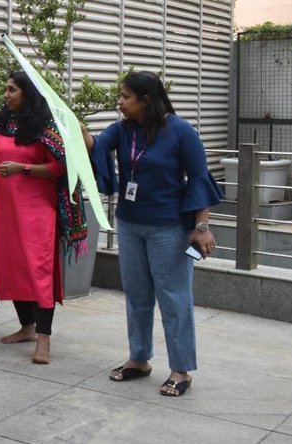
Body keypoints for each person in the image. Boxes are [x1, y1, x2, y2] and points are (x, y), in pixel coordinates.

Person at [84, 71, 221, 397]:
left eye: (125, 97)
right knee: (137, 295)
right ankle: (139, 358)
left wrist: (201, 228)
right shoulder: (123, 130)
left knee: (174, 299)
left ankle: (180, 369)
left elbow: (200, 178)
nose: (119, 102)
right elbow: (96, 148)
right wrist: (75, 129)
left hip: (169, 228)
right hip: (130, 224)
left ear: (146, 100)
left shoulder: (181, 132)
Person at [0, 71, 87, 364]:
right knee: (13, 267)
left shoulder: (46, 127)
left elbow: (60, 168)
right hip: (6, 211)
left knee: (39, 271)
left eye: (12, 90)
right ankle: (27, 327)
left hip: (37, 213)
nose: (6, 95)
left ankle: (44, 339)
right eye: (5, 89)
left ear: (28, 93)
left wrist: (24, 168)